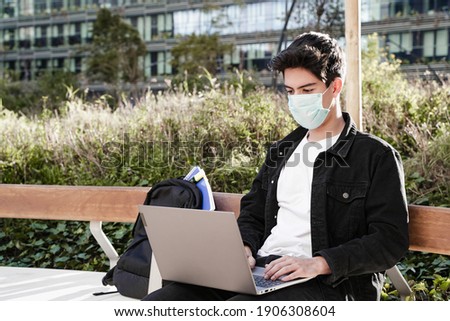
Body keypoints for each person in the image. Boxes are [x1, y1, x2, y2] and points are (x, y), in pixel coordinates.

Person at [142, 31, 409, 301]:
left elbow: (389, 240)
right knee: (158, 304)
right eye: (291, 91)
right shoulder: (282, 150)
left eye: (307, 90)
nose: (297, 100)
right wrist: (244, 248)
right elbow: (254, 213)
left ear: (335, 87)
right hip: (263, 270)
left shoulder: (375, 155)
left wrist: (318, 263)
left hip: (327, 284)